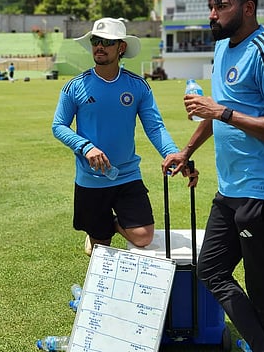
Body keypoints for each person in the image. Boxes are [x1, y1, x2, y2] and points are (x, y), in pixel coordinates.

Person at [162, 0, 264, 352]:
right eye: (211, 7)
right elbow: (217, 112)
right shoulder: (224, 45)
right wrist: (186, 151)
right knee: (209, 269)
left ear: (248, 7)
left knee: (262, 285)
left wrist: (222, 111)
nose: (213, 14)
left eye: (221, 6)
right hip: (233, 187)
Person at [52, 17, 183, 257]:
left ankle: (109, 223)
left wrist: (171, 152)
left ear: (121, 48)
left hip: (127, 175)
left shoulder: (138, 86)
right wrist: (85, 147)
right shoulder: (75, 86)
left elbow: (155, 127)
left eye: (107, 42)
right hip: (91, 179)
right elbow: (58, 126)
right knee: (100, 249)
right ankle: (99, 231)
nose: (99, 46)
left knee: (143, 236)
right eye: (95, 41)